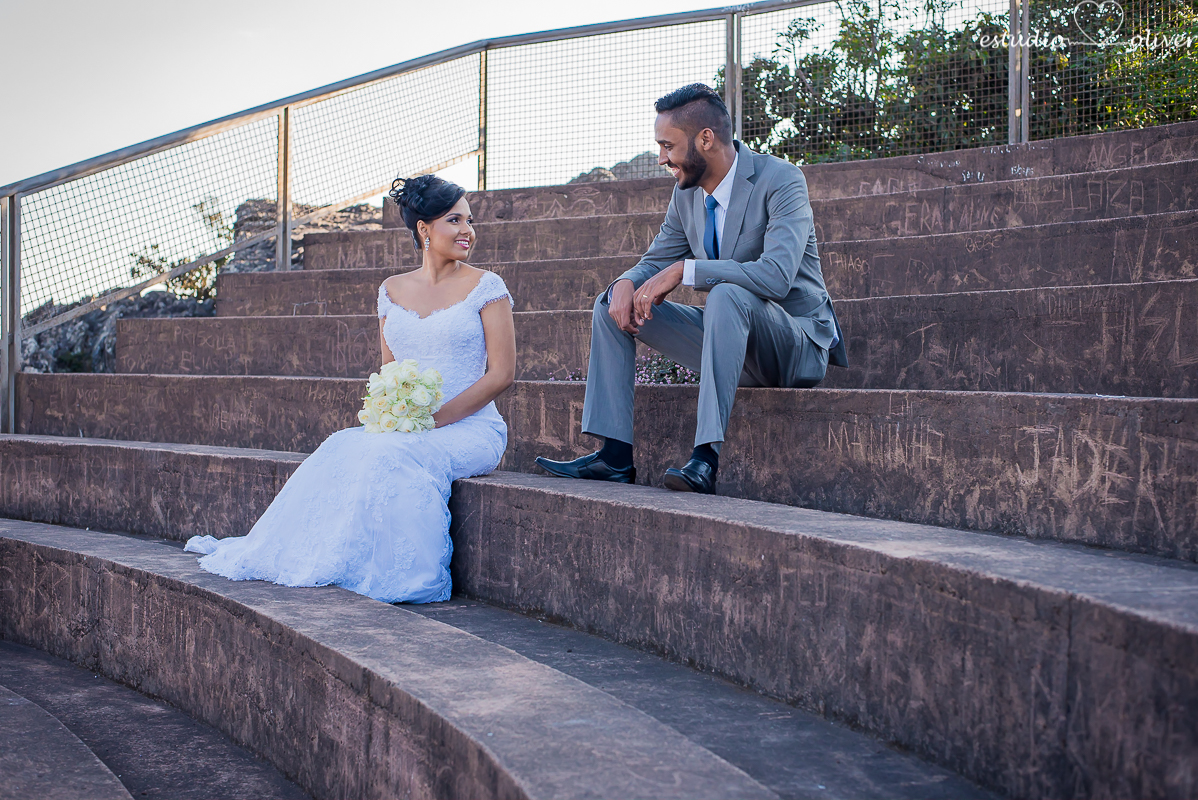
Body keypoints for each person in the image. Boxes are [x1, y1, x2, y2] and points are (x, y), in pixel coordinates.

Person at [184, 175, 516, 603]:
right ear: (424, 229)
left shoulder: (487, 287)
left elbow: (501, 374)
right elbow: (389, 373)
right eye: (455, 220)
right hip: (411, 426)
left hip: (472, 429)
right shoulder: (392, 291)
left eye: (470, 220)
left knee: (394, 453)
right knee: (342, 445)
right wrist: (396, 415)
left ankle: (407, 577)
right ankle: (323, 558)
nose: (468, 230)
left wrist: (431, 421)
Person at [536, 83, 848, 495]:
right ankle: (614, 457)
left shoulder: (781, 180)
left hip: (796, 343)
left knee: (726, 294)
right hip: (731, 344)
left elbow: (776, 276)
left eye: (668, 146)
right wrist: (629, 281)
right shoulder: (685, 197)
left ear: (706, 138)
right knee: (613, 300)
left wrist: (686, 270)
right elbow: (655, 260)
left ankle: (705, 458)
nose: (663, 158)